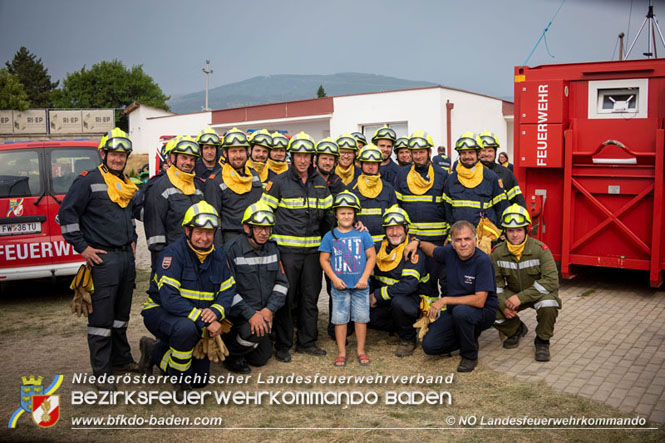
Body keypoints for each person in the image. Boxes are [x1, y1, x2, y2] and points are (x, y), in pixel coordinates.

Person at [58, 128, 139, 390]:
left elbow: (126, 217)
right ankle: (102, 374)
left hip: (125, 258)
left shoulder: (125, 183)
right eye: (113, 154)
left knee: (120, 317)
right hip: (103, 261)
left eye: (122, 155)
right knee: (102, 320)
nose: (118, 159)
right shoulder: (87, 180)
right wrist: (83, 248)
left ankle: (121, 360)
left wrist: (133, 237)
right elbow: (66, 216)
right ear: (103, 154)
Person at [139, 201, 235, 398]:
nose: (204, 238)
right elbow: (170, 299)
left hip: (195, 319)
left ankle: (153, 351)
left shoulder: (219, 255)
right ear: (187, 230)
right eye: (199, 232)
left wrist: (216, 312)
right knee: (185, 329)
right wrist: (203, 321)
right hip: (161, 313)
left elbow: (228, 290)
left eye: (209, 232)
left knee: (199, 381)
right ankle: (180, 382)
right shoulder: (172, 254)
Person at [260, 131, 333, 362]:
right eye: (298, 156)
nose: (303, 160)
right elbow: (265, 214)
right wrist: (272, 248)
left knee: (310, 298)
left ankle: (307, 342)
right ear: (292, 157)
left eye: (307, 156)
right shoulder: (280, 182)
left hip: (312, 253)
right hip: (287, 252)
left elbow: (329, 218)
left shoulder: (320, 184)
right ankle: (283, 345)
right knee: (285, 297)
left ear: (312, 158)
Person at [414, 220, 498, 372]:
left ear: (476, 240)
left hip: (483, 311)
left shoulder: (483, 261)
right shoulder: (449, 253)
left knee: (461, 312)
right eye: (458, 240)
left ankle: (470, 355)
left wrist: (445, 300)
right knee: (430, 346)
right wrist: (417, 243)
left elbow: (480, 301)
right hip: (456, 310)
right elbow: (432, 250)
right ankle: (468, 336)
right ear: (452, 243)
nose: (463, 244)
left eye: (467, 239)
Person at [222, 202, 288, 373]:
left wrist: (268, 310)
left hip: (263, 312)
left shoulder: (273, 249)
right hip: (238, 315)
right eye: (259, 228)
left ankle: (246, 346)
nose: (264, 233)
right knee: (254, 333)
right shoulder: (231, 250)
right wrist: (251, 314)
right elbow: (228, 291)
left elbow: (282, 284)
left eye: (267, 228)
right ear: (246, 228)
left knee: (261, 359)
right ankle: (231, 355)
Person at [491, 204, 560, 361]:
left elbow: (551, 281)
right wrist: (503, 305)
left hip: (537, 294)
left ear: (526, 230)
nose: (515, 235)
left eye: (519, 230)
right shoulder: (497, 253)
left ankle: (542, 341)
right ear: (505, 232)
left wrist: (520, 298)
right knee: (489, 310)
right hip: (513, 291)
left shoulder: (540, 249)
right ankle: (515, 330)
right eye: (510, 230)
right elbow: (495, 284)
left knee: (549, 305)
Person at [319, 191, 376, 367]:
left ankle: (360, 350)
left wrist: (365, 278)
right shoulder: (330, 236)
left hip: (360, 287)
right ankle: (341, 352)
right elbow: (324, 259)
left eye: (350, 213)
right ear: (336, 214)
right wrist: (334, 279)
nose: (346, 216)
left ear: (355, 215)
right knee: (340, 319)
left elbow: (372, 257)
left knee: (360, 318)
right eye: (342, 213)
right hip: (339, 287)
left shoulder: (363, 234)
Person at [369, 205, 434, 357]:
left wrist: (377, 295)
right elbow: (372, 276)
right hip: (390, 298)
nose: (394, 233)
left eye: (398, 228)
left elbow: (408, 285)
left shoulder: (413, 251)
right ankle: (398, 329)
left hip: (414, 300)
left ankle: (408, 339)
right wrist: (368, 296)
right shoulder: (378, 248)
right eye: (390, 228)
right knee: (366, 315)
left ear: (406, 229)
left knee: (400, 303)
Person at [394, 130, 448, 299]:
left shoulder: (441, 175)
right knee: (419, 283)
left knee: (439, 282)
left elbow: (448, 208)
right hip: (411, 241)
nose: (417, 156)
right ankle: (423, 318)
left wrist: (448, 237)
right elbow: (398, 207)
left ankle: (438, 320)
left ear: (429, 152)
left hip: (437, 242)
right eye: (414, 153)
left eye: (421, 152)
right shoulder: (402, 175)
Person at [144, 136, 205, 271]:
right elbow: (155, 231)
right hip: (171, 257)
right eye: (184, 158)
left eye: (192, 159)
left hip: (196, 255)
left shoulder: (198, 187)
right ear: (172, 158)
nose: (188, 163)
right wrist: (163, 260)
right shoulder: (160, 187)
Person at [204, 127, 263, 245]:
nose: (238, 156)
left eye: (241, 151)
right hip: (230, 240)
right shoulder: (215, 181)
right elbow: (214, 220)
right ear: (225, 153)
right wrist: (219, 249)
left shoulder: (254, 176)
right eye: (233, 151)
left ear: (247, 152)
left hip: (255, 238)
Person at [443, 131, 508, 227]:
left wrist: (500, 231)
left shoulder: (491, 177)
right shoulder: (452, 179)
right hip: (460, 238)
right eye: (463, 153)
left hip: (485, 238)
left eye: (471, 152)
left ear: (478, 154)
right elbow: (447, 211)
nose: (467, 156)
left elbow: (501, 208)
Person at [349, 144, 397, 244]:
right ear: (361, 164)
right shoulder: (351, 189)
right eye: (367, 163)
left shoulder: (388, 189)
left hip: (383, 244)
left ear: (379, 165)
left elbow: (394, 218)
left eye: (374, 163)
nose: (371, 167)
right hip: (358, 243)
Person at [477, 131, 525, 206]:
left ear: (495, 153)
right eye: (483, 150)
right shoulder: (470, 173)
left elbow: (518, 201)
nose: (486, 154)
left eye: (490, 151)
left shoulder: (506, 173)